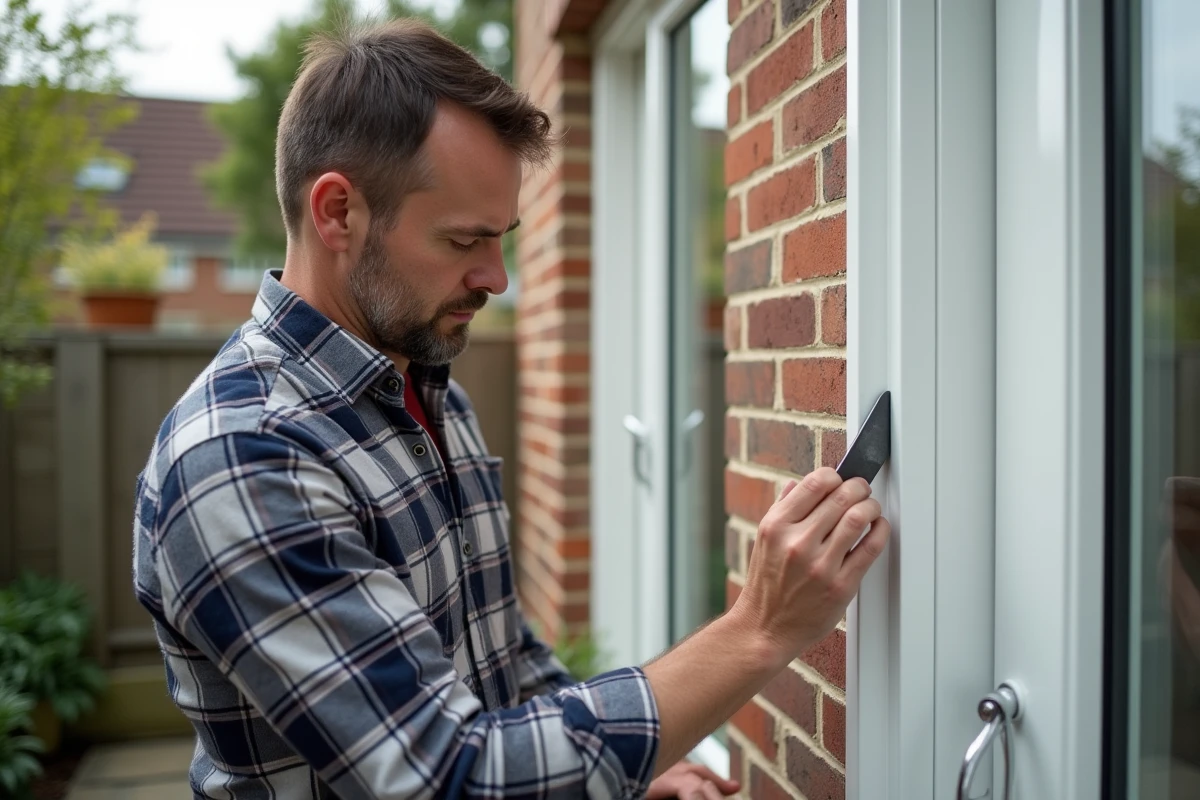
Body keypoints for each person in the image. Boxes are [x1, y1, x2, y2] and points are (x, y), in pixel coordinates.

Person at [132, 18, 891, 800]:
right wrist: (757, 629)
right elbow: (445, 777)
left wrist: (626, 772)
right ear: (338, 214)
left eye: (504, 239)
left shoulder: (433, 395)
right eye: (466, 241)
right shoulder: (244, 458)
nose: (497, 277)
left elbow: (499, 661)